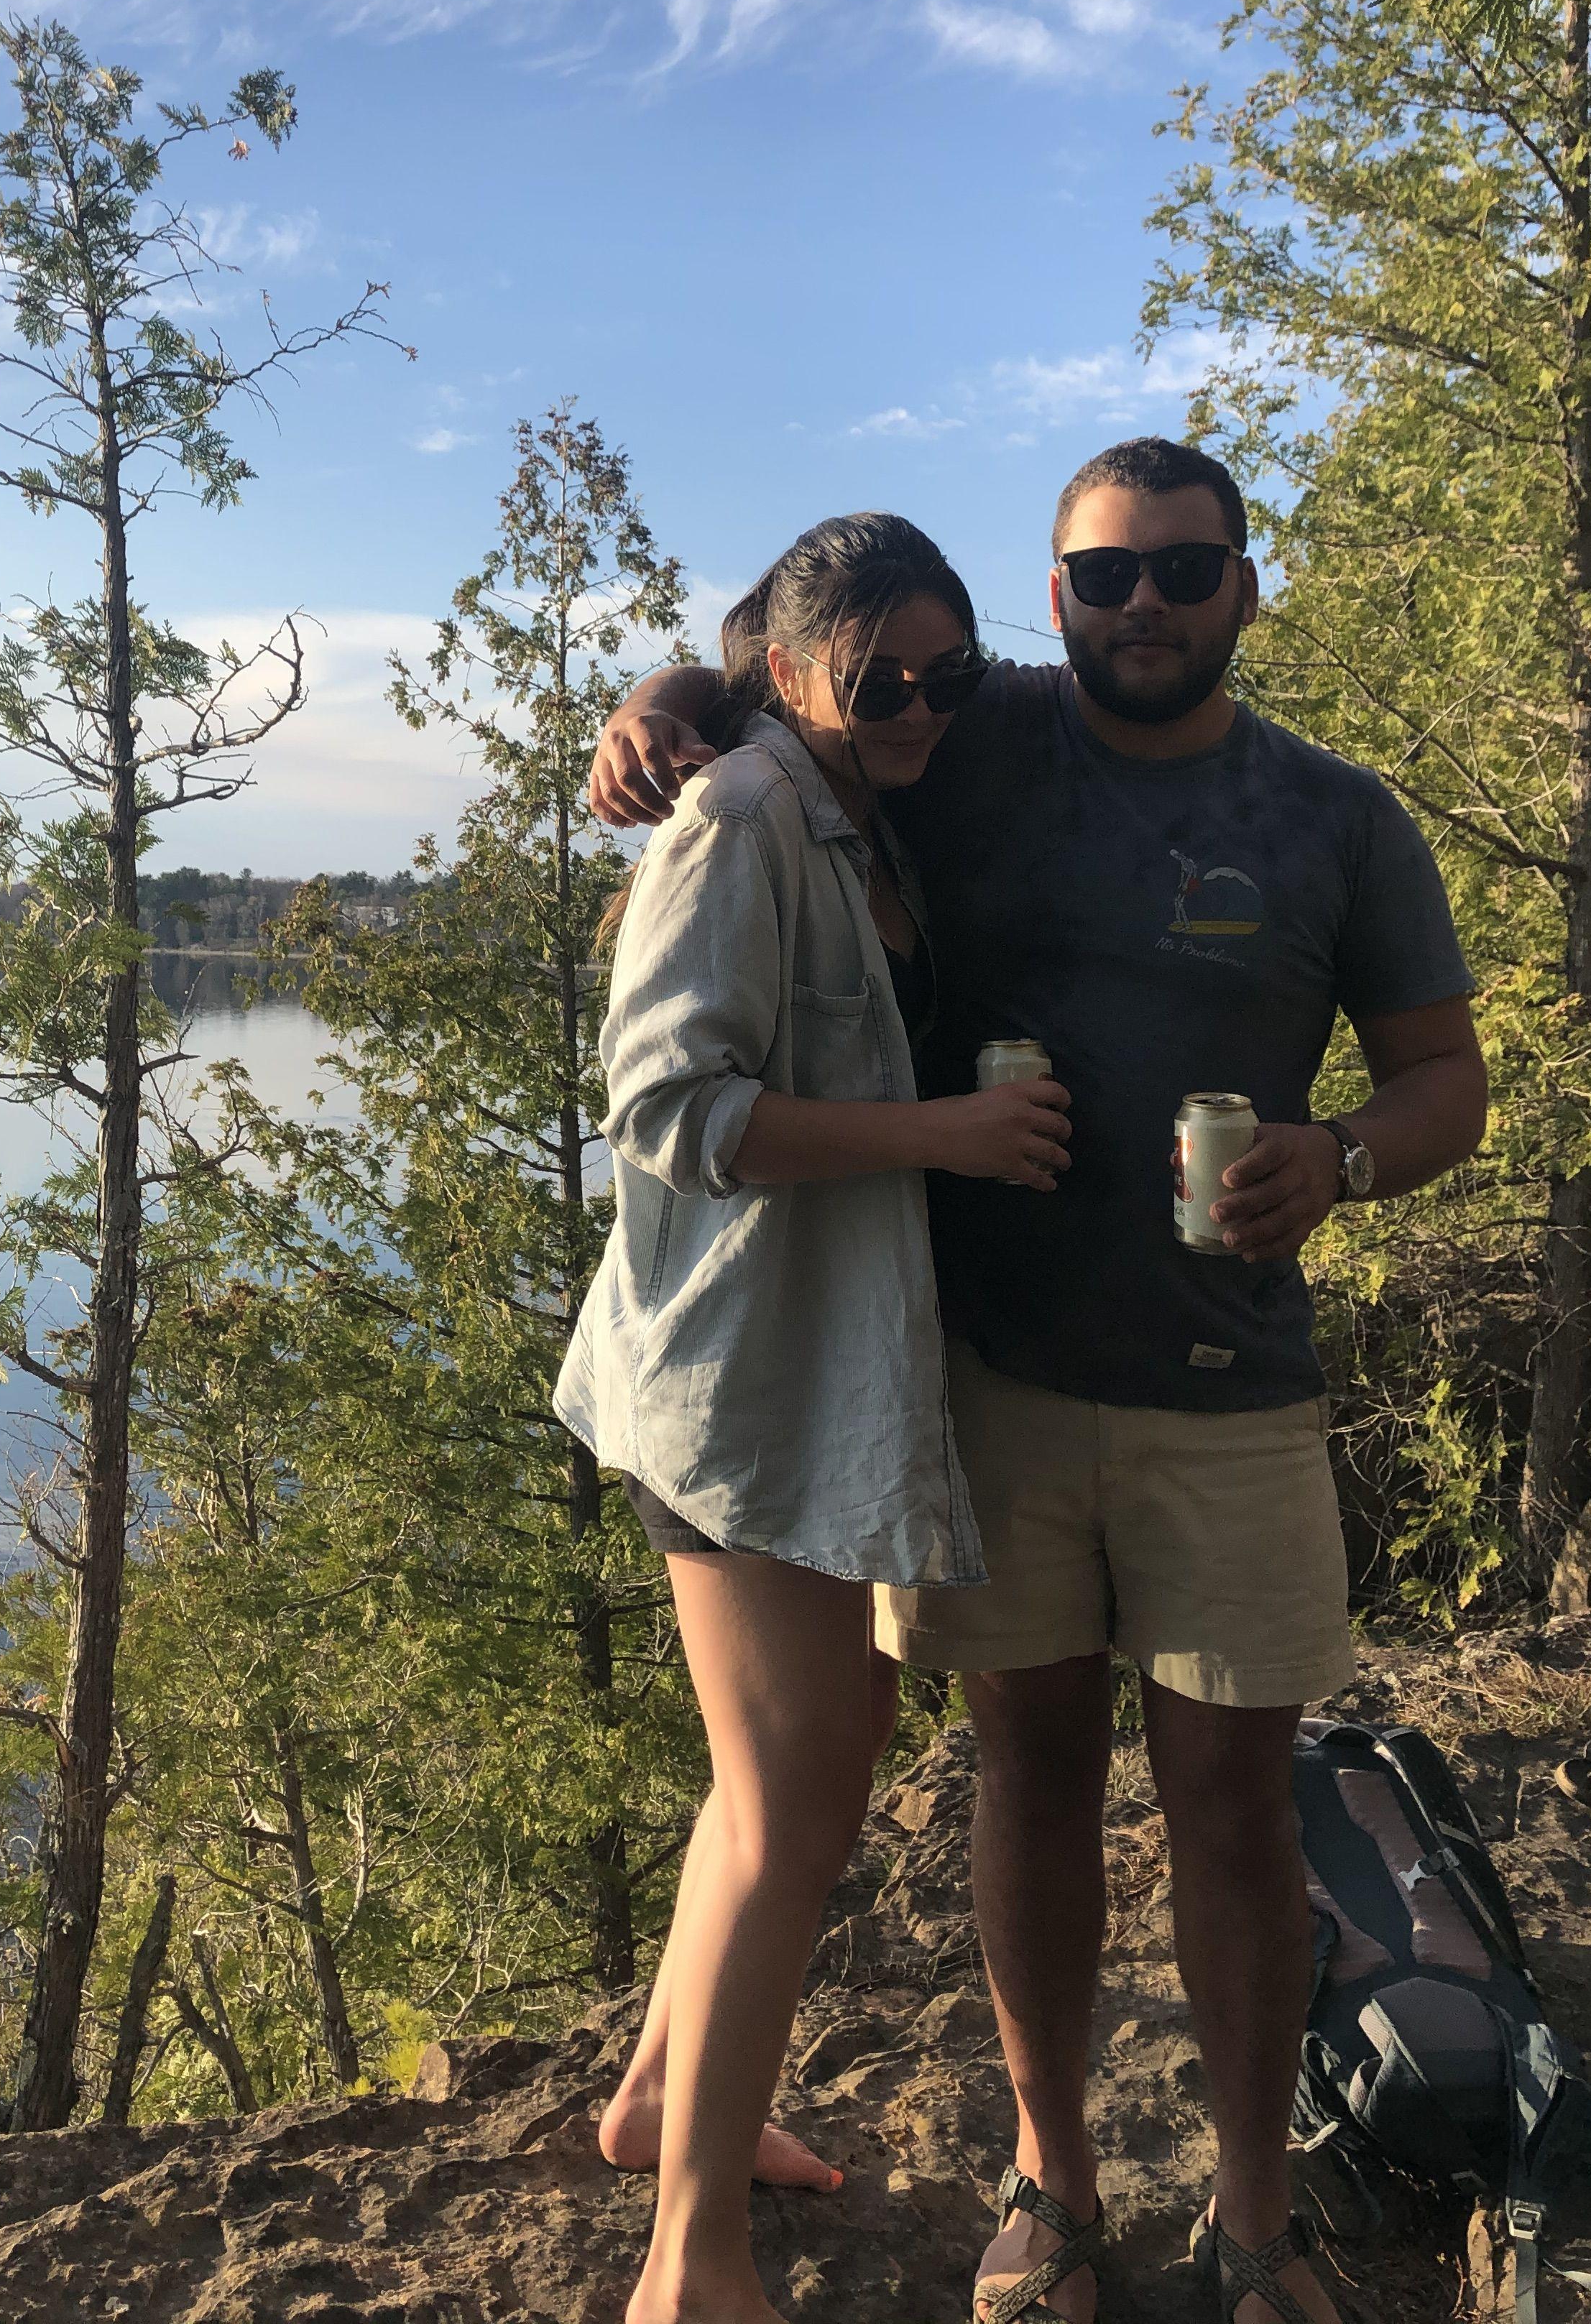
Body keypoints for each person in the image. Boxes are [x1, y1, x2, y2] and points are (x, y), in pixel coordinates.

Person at [588, 439, 1489, 2324]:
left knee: (1230, 1806)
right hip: (977, 1380)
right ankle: (1050, 2187)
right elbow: (789, 667)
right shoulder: (966, 726)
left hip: (1228, 1392)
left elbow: (1444, 1082)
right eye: (1104, 575)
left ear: (1247, 586)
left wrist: (1342, 1158)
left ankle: (1255, 2219)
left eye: (1185, 570)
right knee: (1020, 1781)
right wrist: (663, 700)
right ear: (1055, 596)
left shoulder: (1338, 817)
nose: (1144, 605)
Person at [560, 511, 1076, 2324]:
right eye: (881, 678)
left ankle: (656, 2100)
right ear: (790, 673)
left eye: (949, 672)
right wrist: (942, 1137)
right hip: (737, 1385)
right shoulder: (745, 817)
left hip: (816, 1378)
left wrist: (671, 685)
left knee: (793, 1772)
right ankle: (689, 2262)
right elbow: (666, 1112)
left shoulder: (864, 790)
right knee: (792, 1817)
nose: (923, 704)